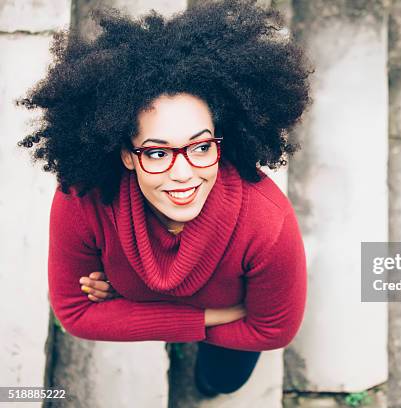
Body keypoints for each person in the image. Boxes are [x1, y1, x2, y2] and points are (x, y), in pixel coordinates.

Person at [18, 0, 311, 397]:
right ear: (127, 154)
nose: (184, 172)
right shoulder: (83, 197)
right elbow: (76, 314)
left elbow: (271, 329)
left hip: (233, 338)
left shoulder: (267, 224)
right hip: (228, 311)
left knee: (223, 380)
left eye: (201, 147)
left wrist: (129, 301)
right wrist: (209, 316)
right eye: (157, 153)